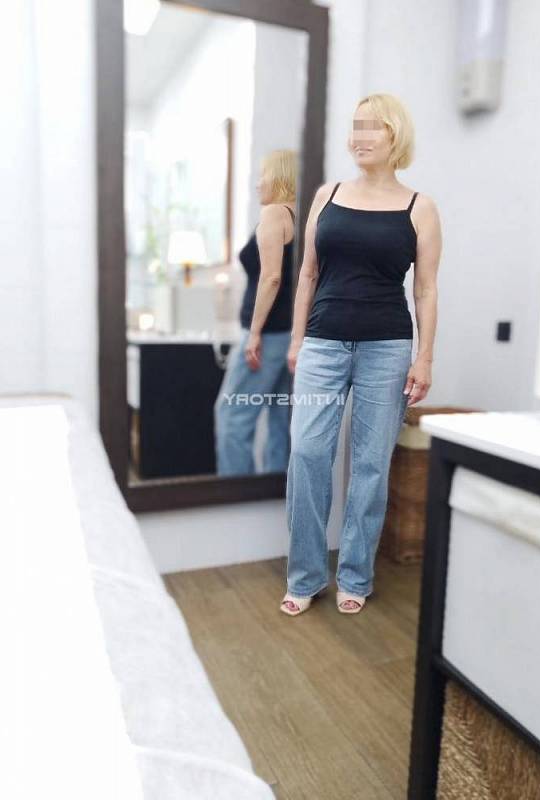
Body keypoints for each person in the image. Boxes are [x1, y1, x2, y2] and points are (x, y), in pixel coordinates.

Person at [280, 93, 442, 615]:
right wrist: (298, 340)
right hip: (323, 342)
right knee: (308, 455)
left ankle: (355, 574)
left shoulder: (420, 207)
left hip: (387, 348)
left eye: (372, 127)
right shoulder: (327, 196)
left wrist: (424, 358)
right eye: (355, 127)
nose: (360, 137)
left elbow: (426, 290)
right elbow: (307, 274)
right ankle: (305, 577)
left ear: (396, 135)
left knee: (370, 465)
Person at [215, 150, 297, 475]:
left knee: (232, 416)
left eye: (264, 174)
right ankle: (274, 493)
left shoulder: (274, 213)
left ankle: (235, 495)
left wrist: (255, 332)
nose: (258, 183)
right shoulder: (297, 216)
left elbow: (271, 277)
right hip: (287, 335)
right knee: (280, 419)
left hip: (268, 337)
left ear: (279, 176)